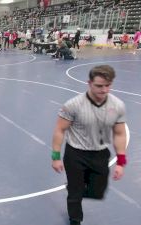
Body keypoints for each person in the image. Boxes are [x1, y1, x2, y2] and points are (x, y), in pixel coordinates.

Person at [51, 65, 127, 225]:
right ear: (89, 83)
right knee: (75, 194)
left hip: (100, 154)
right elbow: (59, 130)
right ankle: (75, 219)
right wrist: (55, 157)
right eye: (99, 86)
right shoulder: (73, 105)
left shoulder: (117, 105)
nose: (104, 90)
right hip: (75, 155)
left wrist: (121, 162)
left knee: (98, 192)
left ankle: (74, 189)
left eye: (108, 85)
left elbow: (119, 133)